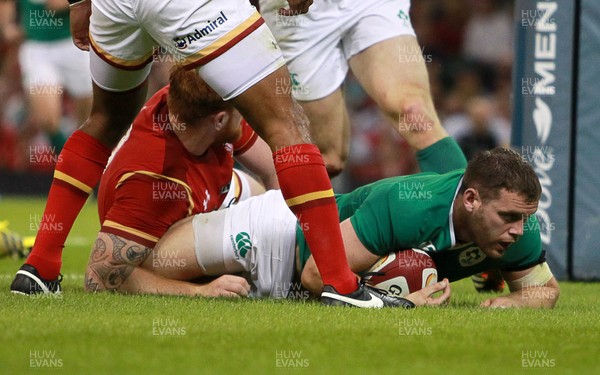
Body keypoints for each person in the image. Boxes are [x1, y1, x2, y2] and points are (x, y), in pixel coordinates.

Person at [11, 0, 381, 308]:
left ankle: (39, 267)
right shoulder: (151, 176)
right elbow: (101, 275)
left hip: (116, 5)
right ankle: (340, 284)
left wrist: (79, 3)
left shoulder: (211, 124)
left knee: (104, 120)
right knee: (287, 127)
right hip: (185, 6)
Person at [146, 148, 559, 308]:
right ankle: (227, 191)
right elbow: (317, 277)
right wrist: (404, 304)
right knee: (138, 269)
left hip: (289, 288)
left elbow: (546, 291)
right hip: (276, 234)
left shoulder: (517, 227)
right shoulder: (408, 205)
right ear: (471, 201)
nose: (518, 230)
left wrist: (512, 303)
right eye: (508, 218)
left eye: (524, 218)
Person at [255, 0, 467, 176]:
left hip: (367, 4)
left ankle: (466, 218)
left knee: (414, 112)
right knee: (327, 159)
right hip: (297, 16)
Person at [0, 0, 92, 155]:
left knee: (89, 119)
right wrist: (7, 26)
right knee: (47, 120)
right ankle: (69, 164)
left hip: (74, 44)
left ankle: (85, 162)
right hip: (36, 48)